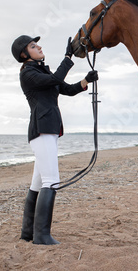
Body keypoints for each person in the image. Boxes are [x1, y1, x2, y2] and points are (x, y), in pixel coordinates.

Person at [11, 35, 98, 245]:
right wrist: (68, 56)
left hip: (48, 130)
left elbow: (65, 89)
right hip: (42, 131)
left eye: (37, 44)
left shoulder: (42, 71)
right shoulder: (28, 74)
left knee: (38, 183)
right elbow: (55, 80)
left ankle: (28, 233)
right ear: (24, 54)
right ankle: (42, 236)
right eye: (33, 46)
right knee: (51, 181)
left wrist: (86, 81)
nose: (39, 47)